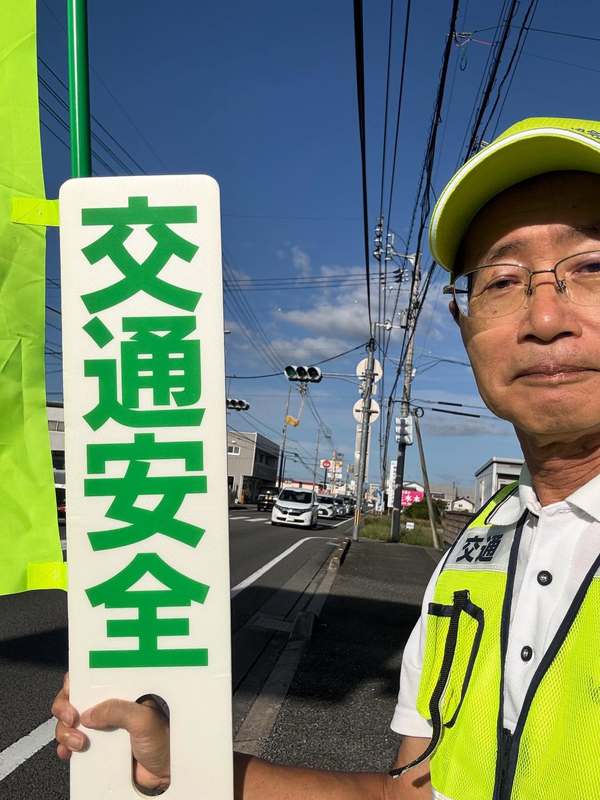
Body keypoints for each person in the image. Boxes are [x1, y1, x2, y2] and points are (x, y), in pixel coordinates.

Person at [52, 117, 600, 798]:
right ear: (464, 326)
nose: (545, 316)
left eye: (592, 266)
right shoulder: (474, 556)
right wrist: (182, 770)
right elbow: (410, 793)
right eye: (502, 280)